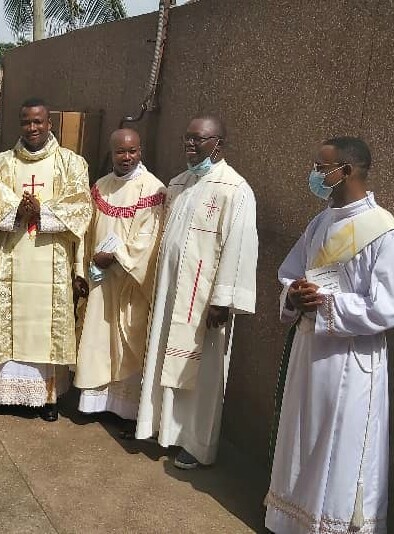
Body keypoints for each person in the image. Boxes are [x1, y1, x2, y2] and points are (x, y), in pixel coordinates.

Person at [265, 137, 394, 534]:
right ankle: (294, 521)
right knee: (302, 438)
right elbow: (291, 270)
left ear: (346, 171)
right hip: (309, 348)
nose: (315, 174)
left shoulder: (385, 233)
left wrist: (330, 305)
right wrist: (293, 293)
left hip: (350, 360)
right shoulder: (321, 221)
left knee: (342, 446)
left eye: (321, 167)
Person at [135, 115, 257, 469]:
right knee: (164, 357)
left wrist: (223, 300)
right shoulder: (181, 182)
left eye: (199, 139)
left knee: (202, 375)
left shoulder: (235, 190)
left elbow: (240, 247)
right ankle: (166, 431)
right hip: (173, 290)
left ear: (219, 143)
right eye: (187, 138)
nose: (190, 144)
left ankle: (197, 444)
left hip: (204, 300)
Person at [0, 98, 92, 421]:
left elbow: (82, 207)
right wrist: (16, 211)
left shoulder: (71, 163)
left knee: (46, 326)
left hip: (51, 259)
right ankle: (6, 393)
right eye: (26, 122)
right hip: (12, 254)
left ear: (50, 124)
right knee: (8, 319)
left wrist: (43, 211)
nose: (32, 128)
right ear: (20, 123)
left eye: (38, 122)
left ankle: (48, 396)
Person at [74, 128, 166, 424]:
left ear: (141, 151)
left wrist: (117, 257)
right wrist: (85, 266)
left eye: (133, 151)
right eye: (120, 152)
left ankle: (126, 408)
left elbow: (150, 238)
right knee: (97, 340)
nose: (127, 157)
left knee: (128, 342)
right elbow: (87, 232)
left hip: (130, 283)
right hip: (101, 280)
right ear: (111, 153)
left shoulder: (153, 190)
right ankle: (94, 403)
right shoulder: (101, 187)